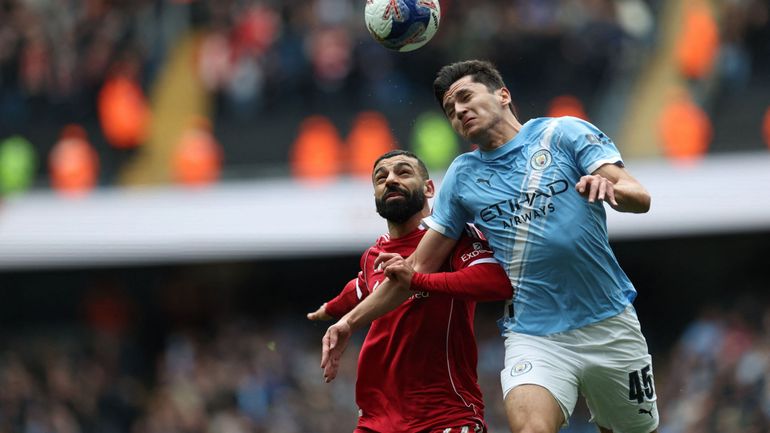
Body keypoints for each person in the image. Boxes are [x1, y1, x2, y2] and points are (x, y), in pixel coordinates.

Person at [321, 60, 659, 433]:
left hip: (609, 323)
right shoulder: (464, 176)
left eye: (465, 98)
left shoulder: (561, 133)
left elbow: (638, 196)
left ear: (502, 95)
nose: (459, 111)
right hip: (535, 333)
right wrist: (349, 322)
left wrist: (610, 189)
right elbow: (415, 267)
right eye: (451, 110)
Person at [311, 149, 512, 433]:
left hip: (444, 416)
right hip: (375, 421)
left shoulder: (454, 238)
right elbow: (359, 288)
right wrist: (329, 311)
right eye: (381, 178)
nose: (390, 180)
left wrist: (417, 280)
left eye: (403, 172)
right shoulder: (374, 255)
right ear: (376, 197)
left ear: (429, 188)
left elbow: (495, 281)